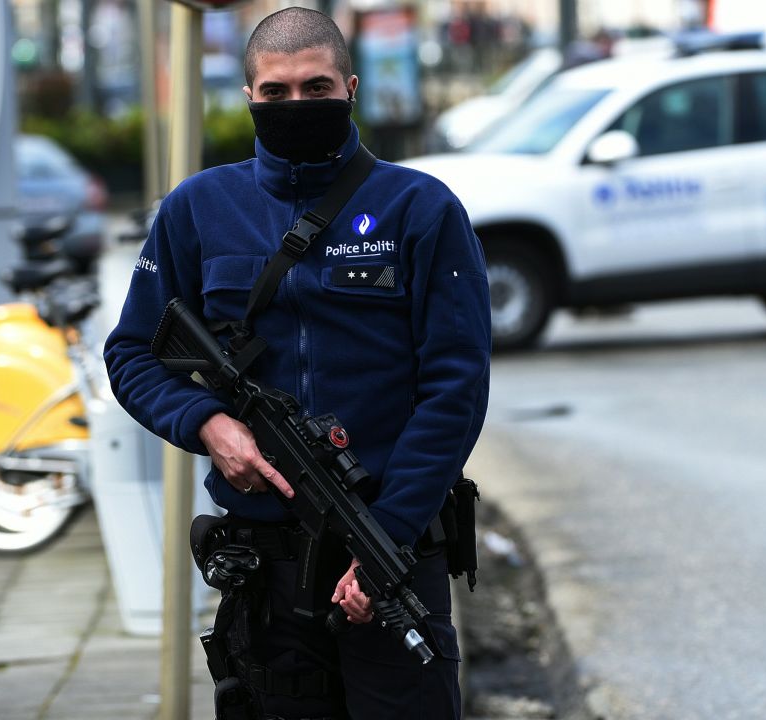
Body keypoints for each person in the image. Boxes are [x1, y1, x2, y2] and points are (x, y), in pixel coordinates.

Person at [102, 7, 490, 720]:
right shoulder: (196, 210)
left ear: (350, 87)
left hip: (391, 553)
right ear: (249, 97)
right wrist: (208, 423)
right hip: (265, 576)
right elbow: (130, 353)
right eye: (275, 93)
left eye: (316, 88)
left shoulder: (420, 208)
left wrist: (387, 545)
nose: (297, 105)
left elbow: (456, 389)